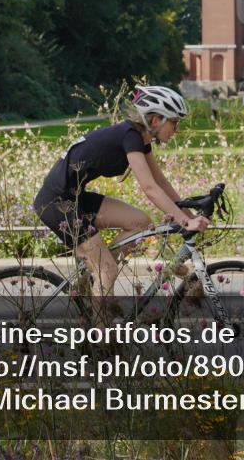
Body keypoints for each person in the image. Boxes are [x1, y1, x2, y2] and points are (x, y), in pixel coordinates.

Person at [33, 86, 209, 317]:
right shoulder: (130, 137)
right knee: (107, 269)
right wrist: (185, 223)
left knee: (141, 222)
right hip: (56, 202)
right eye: (174, 122)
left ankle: (93, 275)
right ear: (155, 120)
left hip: (74, 198)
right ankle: (100, 340)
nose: (176, 129)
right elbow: (149, 188)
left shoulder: (140, 139)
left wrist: (188, 215)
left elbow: (161, 183)